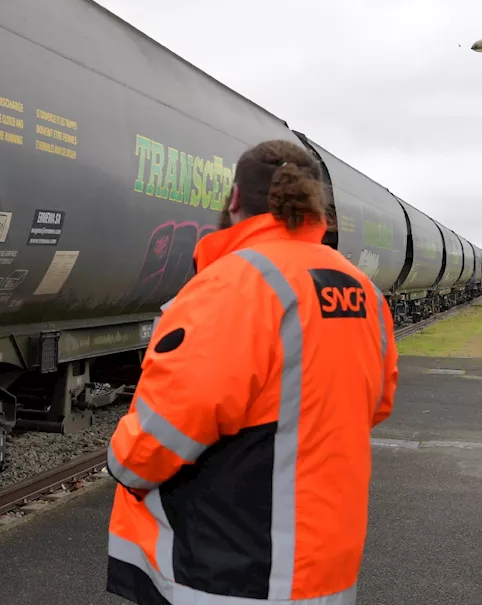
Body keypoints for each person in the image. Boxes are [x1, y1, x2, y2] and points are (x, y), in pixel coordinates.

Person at [106, 139, 399, 605]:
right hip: (325, 571)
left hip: (230, 569)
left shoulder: (231, 286)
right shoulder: (363, 291)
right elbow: (377, 403)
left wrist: (121, 462)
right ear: (314, 205)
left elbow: (159, 437)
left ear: (236, 199)